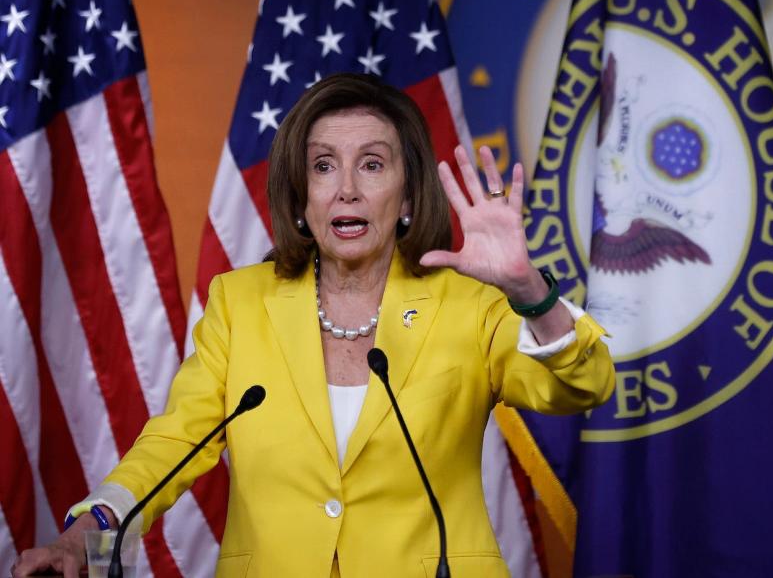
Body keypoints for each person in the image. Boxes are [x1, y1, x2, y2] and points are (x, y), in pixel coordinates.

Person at [13, 73, 616, 577]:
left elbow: (581, 387)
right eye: (324, 166)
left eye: (373, 165)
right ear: (301, 196)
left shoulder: (471, 305)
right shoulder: (240, 302)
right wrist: (89, 532)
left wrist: (529, 292)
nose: (347, 190)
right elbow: (171, 445)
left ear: (407, 198)